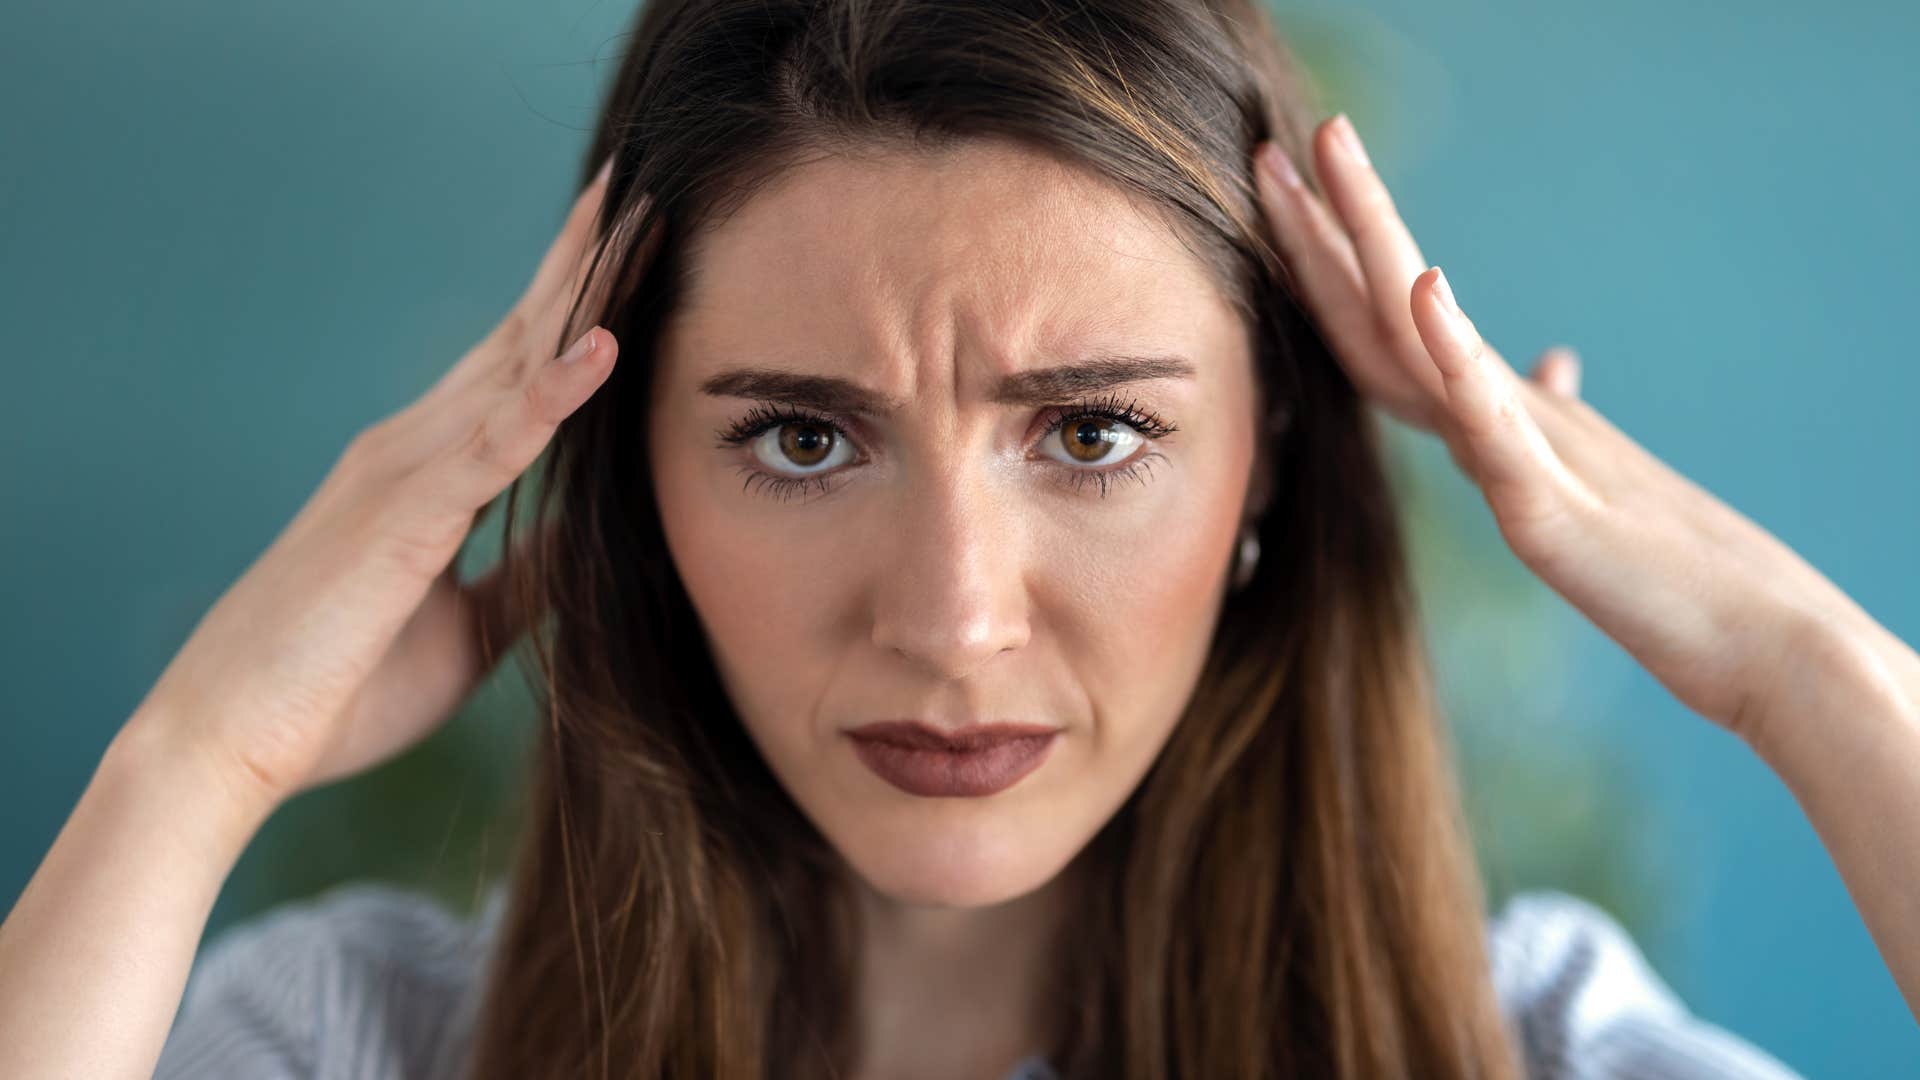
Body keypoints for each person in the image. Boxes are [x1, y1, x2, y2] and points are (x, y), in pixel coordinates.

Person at [2, 0, 1915, 1076]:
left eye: (1092, 432)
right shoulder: (364, 1046)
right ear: (626, 476)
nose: (953, 618)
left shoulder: (1533, 1053)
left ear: (1269, 465)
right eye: (805, 438)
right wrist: (191, 768)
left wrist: (1809, 672)